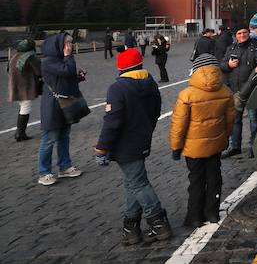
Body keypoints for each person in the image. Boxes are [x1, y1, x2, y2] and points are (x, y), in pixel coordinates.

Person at [93, 48, 171, 243]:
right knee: (132, 182)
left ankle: (158, 222)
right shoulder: (150, 82)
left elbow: (112, 121)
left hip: (125, 144)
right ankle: (131, 227)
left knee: (138, 183)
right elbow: (156, 111)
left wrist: (101, 148)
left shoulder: (118, 88)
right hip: (142, 139)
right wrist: (147, 129)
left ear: (121, 68)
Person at [170, 54, 235, 227]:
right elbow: (230, 120)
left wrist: (176, 147)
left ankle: (195, 216)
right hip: (216, 144)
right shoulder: (226, 91)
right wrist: (225, 138)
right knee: (214, 177)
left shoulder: (187, 94)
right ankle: (212, 212)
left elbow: (179, 125)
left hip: (194, 147)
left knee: (196, 180)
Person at [37, 33, 84, 186]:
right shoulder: (48, 61)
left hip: (64, 103)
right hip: (53, 105)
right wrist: (68, 56)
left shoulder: (61, 60)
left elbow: (66, 78)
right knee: (49, 139)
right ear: (58, 45)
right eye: (68, 43)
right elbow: (66, 71)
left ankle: (64, 166)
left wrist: (78, 77)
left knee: (64, 136)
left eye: (71, 43)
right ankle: (44, 172)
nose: (70, 46)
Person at [220, 27, 257, 158]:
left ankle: (254, 146)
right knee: (235, 119)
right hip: (235, 89)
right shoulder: (231, 48)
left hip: (251, 88)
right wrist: (228, 65)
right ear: (235, 35)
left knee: (254, 119)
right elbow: (221, 65)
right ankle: (235, 146)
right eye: (239, 33)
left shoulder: (255, 47)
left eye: (244, 32)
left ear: (248, 33)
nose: (242, 35)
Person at [8, 39, 42, 142]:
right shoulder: (30, 57)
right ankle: (20, 133)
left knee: (22, 106)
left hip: (15, 85)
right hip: (26, 86)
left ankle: (20, 132)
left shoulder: (14, 56)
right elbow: (39, 71)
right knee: (25, 108)